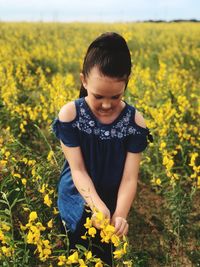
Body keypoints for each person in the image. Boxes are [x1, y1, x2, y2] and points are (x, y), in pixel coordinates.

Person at [51, 32, 153, 265]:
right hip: (77, 197)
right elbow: (77, 170)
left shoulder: (135, 122)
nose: (106, 105)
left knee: (104, 257)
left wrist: (119, 215)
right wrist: (96, 206)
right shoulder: (70, 115)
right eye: (98, 96)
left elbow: (129, 179)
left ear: (126, 84)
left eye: (115, 97)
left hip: (113, 198)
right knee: (74, 252)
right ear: (84, 81)